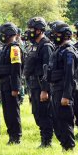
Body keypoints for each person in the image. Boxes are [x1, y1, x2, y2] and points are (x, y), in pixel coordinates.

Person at [47, 22, 78, 151]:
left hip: (63, 89)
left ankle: (69, 147)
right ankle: (64, 144)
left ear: (66, 35)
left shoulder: (68, 52)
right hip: (55, 88)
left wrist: (66, 95)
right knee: (57, 119)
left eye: (58, 34)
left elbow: (69, 75)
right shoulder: (59, 50)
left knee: (65, 119)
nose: (55, 36)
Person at [23, 17, 54, 148]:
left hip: (42, 86)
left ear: (40, 30)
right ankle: (44, 139)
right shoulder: (34, 46)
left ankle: (47, 141)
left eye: (32, 29)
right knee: (37, 113)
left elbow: (48, 69)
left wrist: (45, 90)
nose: (29, 31)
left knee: (44, 114)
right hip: (34, 85)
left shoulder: (46, 46)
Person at [0, 22, 23, 144]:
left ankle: (16, 136)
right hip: (4, 83)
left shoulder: (14, 48)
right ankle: (11, 135)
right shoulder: (6, 47)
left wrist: (15, 87)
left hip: (11, 84)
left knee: (13, 111)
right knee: (6, 111)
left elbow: (16, 69)